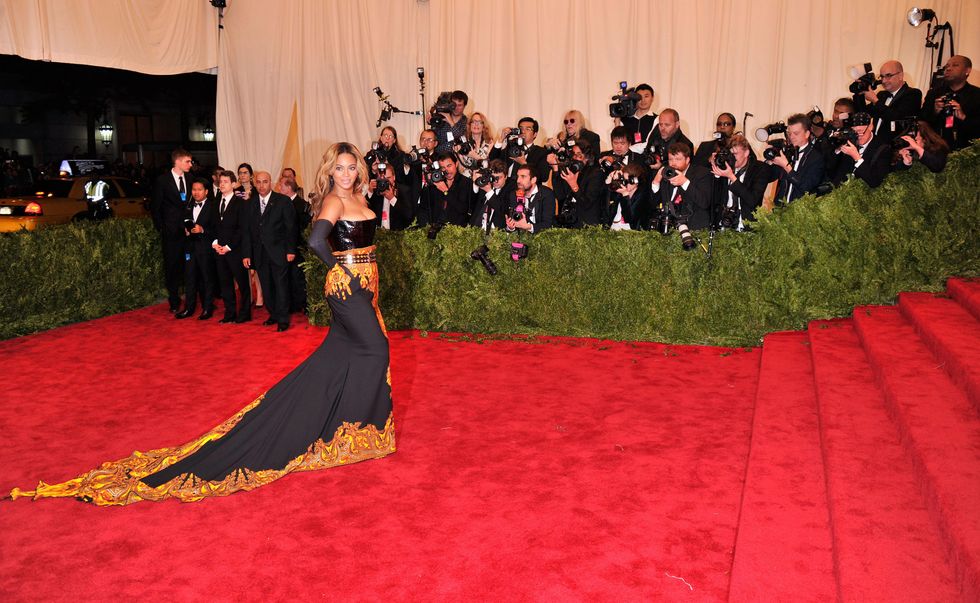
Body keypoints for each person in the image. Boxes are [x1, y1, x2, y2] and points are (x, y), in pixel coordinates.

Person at [8, 143, 396, 505]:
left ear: (358, 168)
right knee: (376, 348)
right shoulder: (332, 199)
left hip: (367, 280)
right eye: (340, 168)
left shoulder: (360, 196)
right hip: (347, 283)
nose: (345, 174)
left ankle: (347, 426)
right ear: (331, 170)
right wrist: (341, 272)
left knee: (344, 353)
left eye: (351, 168)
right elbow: (315, 242)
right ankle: (358, 431)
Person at [242, 171, 297, 332]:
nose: (261, 185)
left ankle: (283, 319)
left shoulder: (282, 201)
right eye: (258, 182)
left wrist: (290, 250)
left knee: (281, 286)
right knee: (267, 287)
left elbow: (290, 228)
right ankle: (273, 314)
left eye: (264, 182)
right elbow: (246, 231)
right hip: (259, 254)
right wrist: (246, 254)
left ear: (271, 182)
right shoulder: (250, 204)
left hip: (279, 252)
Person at [151, 148, 192, 313]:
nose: (190, 164)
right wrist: (162, 228)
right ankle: (174, 300)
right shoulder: (162, 181)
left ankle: (192, 299)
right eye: (188, 161)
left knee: (190, 266)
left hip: (189, 232)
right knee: (172, 266)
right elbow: (155, 207)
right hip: (171, 233)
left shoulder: (191, 179)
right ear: (178, 161)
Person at [212, 170, 252, 323]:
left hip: (236, 251)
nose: (222, 184)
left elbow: (242, 229)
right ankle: (229, 314)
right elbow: (213, 226)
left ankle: (244, 314)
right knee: (225, 284)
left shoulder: (241, 203)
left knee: (242, 285)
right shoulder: (215, 203)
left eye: (225, 181)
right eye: (220, 181)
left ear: (234, 184)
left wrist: (228, 246)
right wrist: (215, 243)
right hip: (219, 251)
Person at [176, 179, 218, 319]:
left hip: (205, 248)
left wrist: (202, 229)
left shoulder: (213, 207)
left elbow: (217, 229)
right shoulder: (188, 206)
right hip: (190, 248)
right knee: (190, 278)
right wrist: (186, 230)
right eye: (194, 189)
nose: (196, 192)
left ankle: (207, 308)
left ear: (206, 191)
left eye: (199, 189)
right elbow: (182, 222)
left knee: (207, 279)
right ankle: (189, 308)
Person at [852, 60, 922, 144]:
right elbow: (863, 114)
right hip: (876, 145)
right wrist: (859, 93)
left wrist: (875, 100)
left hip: (897, 147)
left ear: (900, 75)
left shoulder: (913, 94)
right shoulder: (882, 95)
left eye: (888, 76)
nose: (884, 81)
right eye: (882, 76)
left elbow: (896, 117)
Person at [709, 134, 768, 231]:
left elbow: (752, 200)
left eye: (735, 154)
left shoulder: (760, 169)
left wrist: (732, 177)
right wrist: (716, 173)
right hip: (723, 224)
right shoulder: (725, 166)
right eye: (730, 154)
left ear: (746, 153)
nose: (732, 157)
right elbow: (713, 199)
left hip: (747, 225)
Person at [920, 55, 980, 150]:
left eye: (955, 65)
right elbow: (922, 121)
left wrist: (963, 117)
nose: (948, 69)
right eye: (947, 66)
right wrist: (934, 111)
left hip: (966, 152)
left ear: (967, 71)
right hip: (936, 150)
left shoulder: (977, 95)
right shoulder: (934, 93)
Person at [652, 142, 713, 231]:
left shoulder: (702, 173)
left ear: (687, 160)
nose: (673, 163)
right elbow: (655, 204)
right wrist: (656, 182)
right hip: (669, 230)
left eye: (678, 159)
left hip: (694, 229)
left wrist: (684, 182)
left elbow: (704, 202)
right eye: (671, 159)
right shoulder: (668, 174)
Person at [769, 113, 825, 204]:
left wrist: (786, 166)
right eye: (789, 133)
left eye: (796, 133)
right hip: (779, 210)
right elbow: (769, 177)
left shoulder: (816, 158)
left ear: (807, 134)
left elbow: (806, 187)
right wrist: (770, 159)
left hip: (800, 213)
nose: (791, 137)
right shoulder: (786, 153)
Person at [549, 139, 605, 228]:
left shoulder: (596, 174)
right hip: (569, 223)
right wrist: (555, 168)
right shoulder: (572, 170)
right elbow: (560, 195)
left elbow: (587, 203)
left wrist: (574, 185)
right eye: (573, 155)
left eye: (579, 155)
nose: (575, 158)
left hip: (586, 226)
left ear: (587, 157)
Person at [827, 112, 891, 188]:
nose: (858, 136)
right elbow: (831, 170)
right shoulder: (850, 140)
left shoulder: (883, 148)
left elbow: (875, 182)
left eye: (861, 131)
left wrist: (857, 157)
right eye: (854, 132)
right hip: (841, 190)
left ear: (870, 127)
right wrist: (837, 149)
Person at [279, 176, 310, 313]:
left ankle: (302, 303)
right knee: (289, 276)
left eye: (281, 186)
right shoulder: (282, 203)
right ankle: (293, 303)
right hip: (285, 246)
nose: (279, 189)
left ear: (288, 188)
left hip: (298, 246)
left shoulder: (302, 204)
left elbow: (303, 227)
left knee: (298, 277)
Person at [417, 152, 473, 227]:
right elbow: (424, 208)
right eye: (443, 167)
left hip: (456, 231)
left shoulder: (466, 183)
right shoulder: (435, 182)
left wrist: (445, 191)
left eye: (449, 166)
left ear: (456, 164)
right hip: (434, 228)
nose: (447, 170)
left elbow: (463, 209)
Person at [505, 164, 555, 233]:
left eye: (523, 177)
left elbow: (548, 224)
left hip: (540, 238)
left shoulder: (546, 194)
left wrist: (529, 227)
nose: (518, 181)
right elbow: (514, 225)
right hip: (520, 239)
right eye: (518, 176)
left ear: (533, 180)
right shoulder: (514, 194)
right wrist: (511, 227)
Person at [367, 162, 413, 230]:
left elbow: (409, 215)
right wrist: (370, 191)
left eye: (388, 178)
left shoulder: (404, 190)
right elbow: (366, 209)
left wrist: (392, 198)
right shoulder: (375, 190)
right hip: (378, 233)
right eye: (382, 179)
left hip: (397, 234)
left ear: (394, 177)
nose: (385, 182)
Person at [469, 159, 512, 231]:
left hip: (496, 234)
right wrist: (476, 183)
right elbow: (471, 206)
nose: (496, 181)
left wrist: (489, 191)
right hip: (476, 231)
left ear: (506, 176)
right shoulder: (485, 184)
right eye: (493, 177)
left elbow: (503, 210)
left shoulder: (511, 189)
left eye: (499, 177)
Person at [616, 83, 658, 151]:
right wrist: (617, 118)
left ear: (652, 98)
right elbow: (617, 140)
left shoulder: (657, 119)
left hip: (647, 158)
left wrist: (628, 149)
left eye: (646, 96)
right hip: (627, 159)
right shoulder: (625, 119)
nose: (643, 100)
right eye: (639, 97)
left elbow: (650, 142)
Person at [457, 112, 494, 177]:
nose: (476, 124)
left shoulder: (489, 142)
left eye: (479, 122)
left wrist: (474, 156)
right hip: (465, 179)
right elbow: (461, 170)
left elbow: (488, 165)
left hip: (483, 179)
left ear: (484, 126)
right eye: (473, 122)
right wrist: (458, 153)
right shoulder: (463, 142)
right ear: (469, 125)